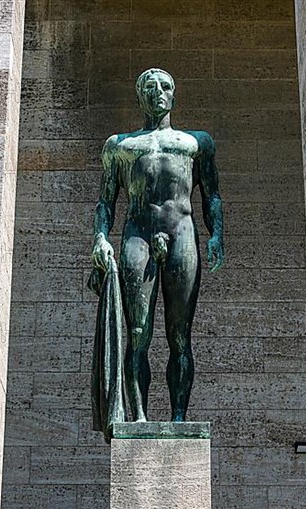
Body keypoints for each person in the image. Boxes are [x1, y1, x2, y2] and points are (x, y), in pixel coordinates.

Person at [90, 68, 224, 424]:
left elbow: (212, 196)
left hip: (182, 233)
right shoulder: (120, 146)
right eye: (150, 87)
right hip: (138, 233)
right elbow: (105, 202)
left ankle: (179, 419)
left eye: (165, 87)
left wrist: (217, 234)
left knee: (180, 335)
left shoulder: (195, 143)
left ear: (174, 95)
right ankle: (139, 418)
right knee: (138, 334)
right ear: (140, 96)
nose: (158, 92)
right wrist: (100, 238)